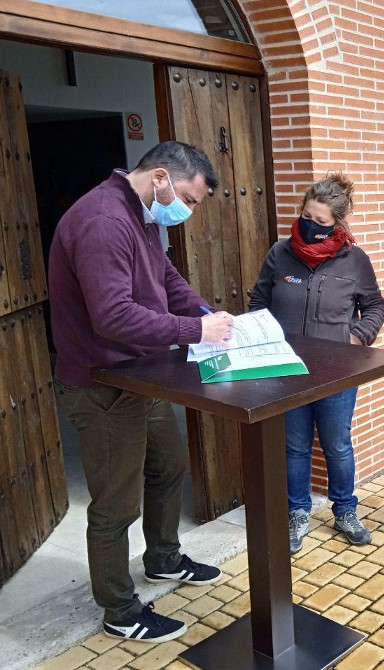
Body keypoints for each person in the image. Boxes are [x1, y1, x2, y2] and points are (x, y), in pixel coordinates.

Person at [49, 141, 235, 643]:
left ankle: (163, 558)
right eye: (190, 200)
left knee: (168, 466)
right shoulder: (104, 221)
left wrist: (205, 315)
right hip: (102, 384)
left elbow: (167, 281)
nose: (188, 212)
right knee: (115, 503)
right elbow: (112, 316)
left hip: (141, 374)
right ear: (160, 177)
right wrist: (196, 334)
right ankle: (118, 607)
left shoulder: (143, 215)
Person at [249, 174, 384, 554]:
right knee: (294, 447)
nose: (310, 226)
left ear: (337, 224)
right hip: (288, 371)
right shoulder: (280, 254)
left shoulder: (354, 260)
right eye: (307, 215)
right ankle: (297, 512)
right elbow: (258, 300)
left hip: (337, 371)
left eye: (322, 222)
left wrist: (356, 337)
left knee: (337, 444)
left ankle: (345, 510)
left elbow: (375, 306)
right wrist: (264, 337)